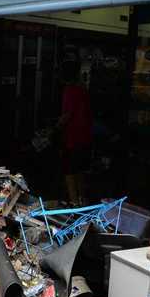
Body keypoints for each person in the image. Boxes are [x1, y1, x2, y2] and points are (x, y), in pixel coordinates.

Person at [57, 60, 93, 206]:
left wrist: (56, 127)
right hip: (85, 136)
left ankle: (73, 202)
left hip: (73, 137)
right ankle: (82, 199)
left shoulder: (69, 90)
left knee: (69, 171)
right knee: (80, 170)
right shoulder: (83, 89)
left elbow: (67, 115)